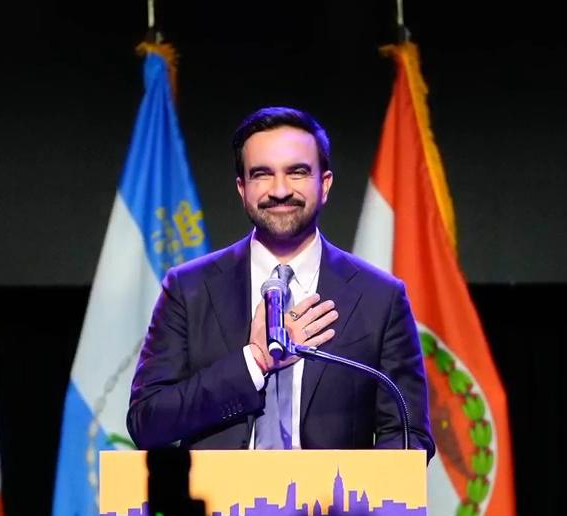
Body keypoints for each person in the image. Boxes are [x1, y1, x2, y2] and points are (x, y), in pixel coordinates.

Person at [127, 106, 434, 459]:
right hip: (216, 496)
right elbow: (146, 423)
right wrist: (254, 361)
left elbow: (408, 436)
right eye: (262, 174)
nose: (280, 190)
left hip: (332, 496)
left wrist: (353, 488)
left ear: (325, 184)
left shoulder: (380, 298)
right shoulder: (188, 289)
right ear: (242, 188)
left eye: (297, 172)